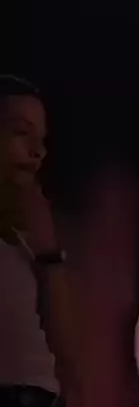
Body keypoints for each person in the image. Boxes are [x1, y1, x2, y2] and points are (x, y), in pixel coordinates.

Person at [0, 75, 81, 406]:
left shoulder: (25, 241)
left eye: (41, 140)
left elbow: (64, 352)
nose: (37, 152)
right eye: (21, 133)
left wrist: (49, 253)